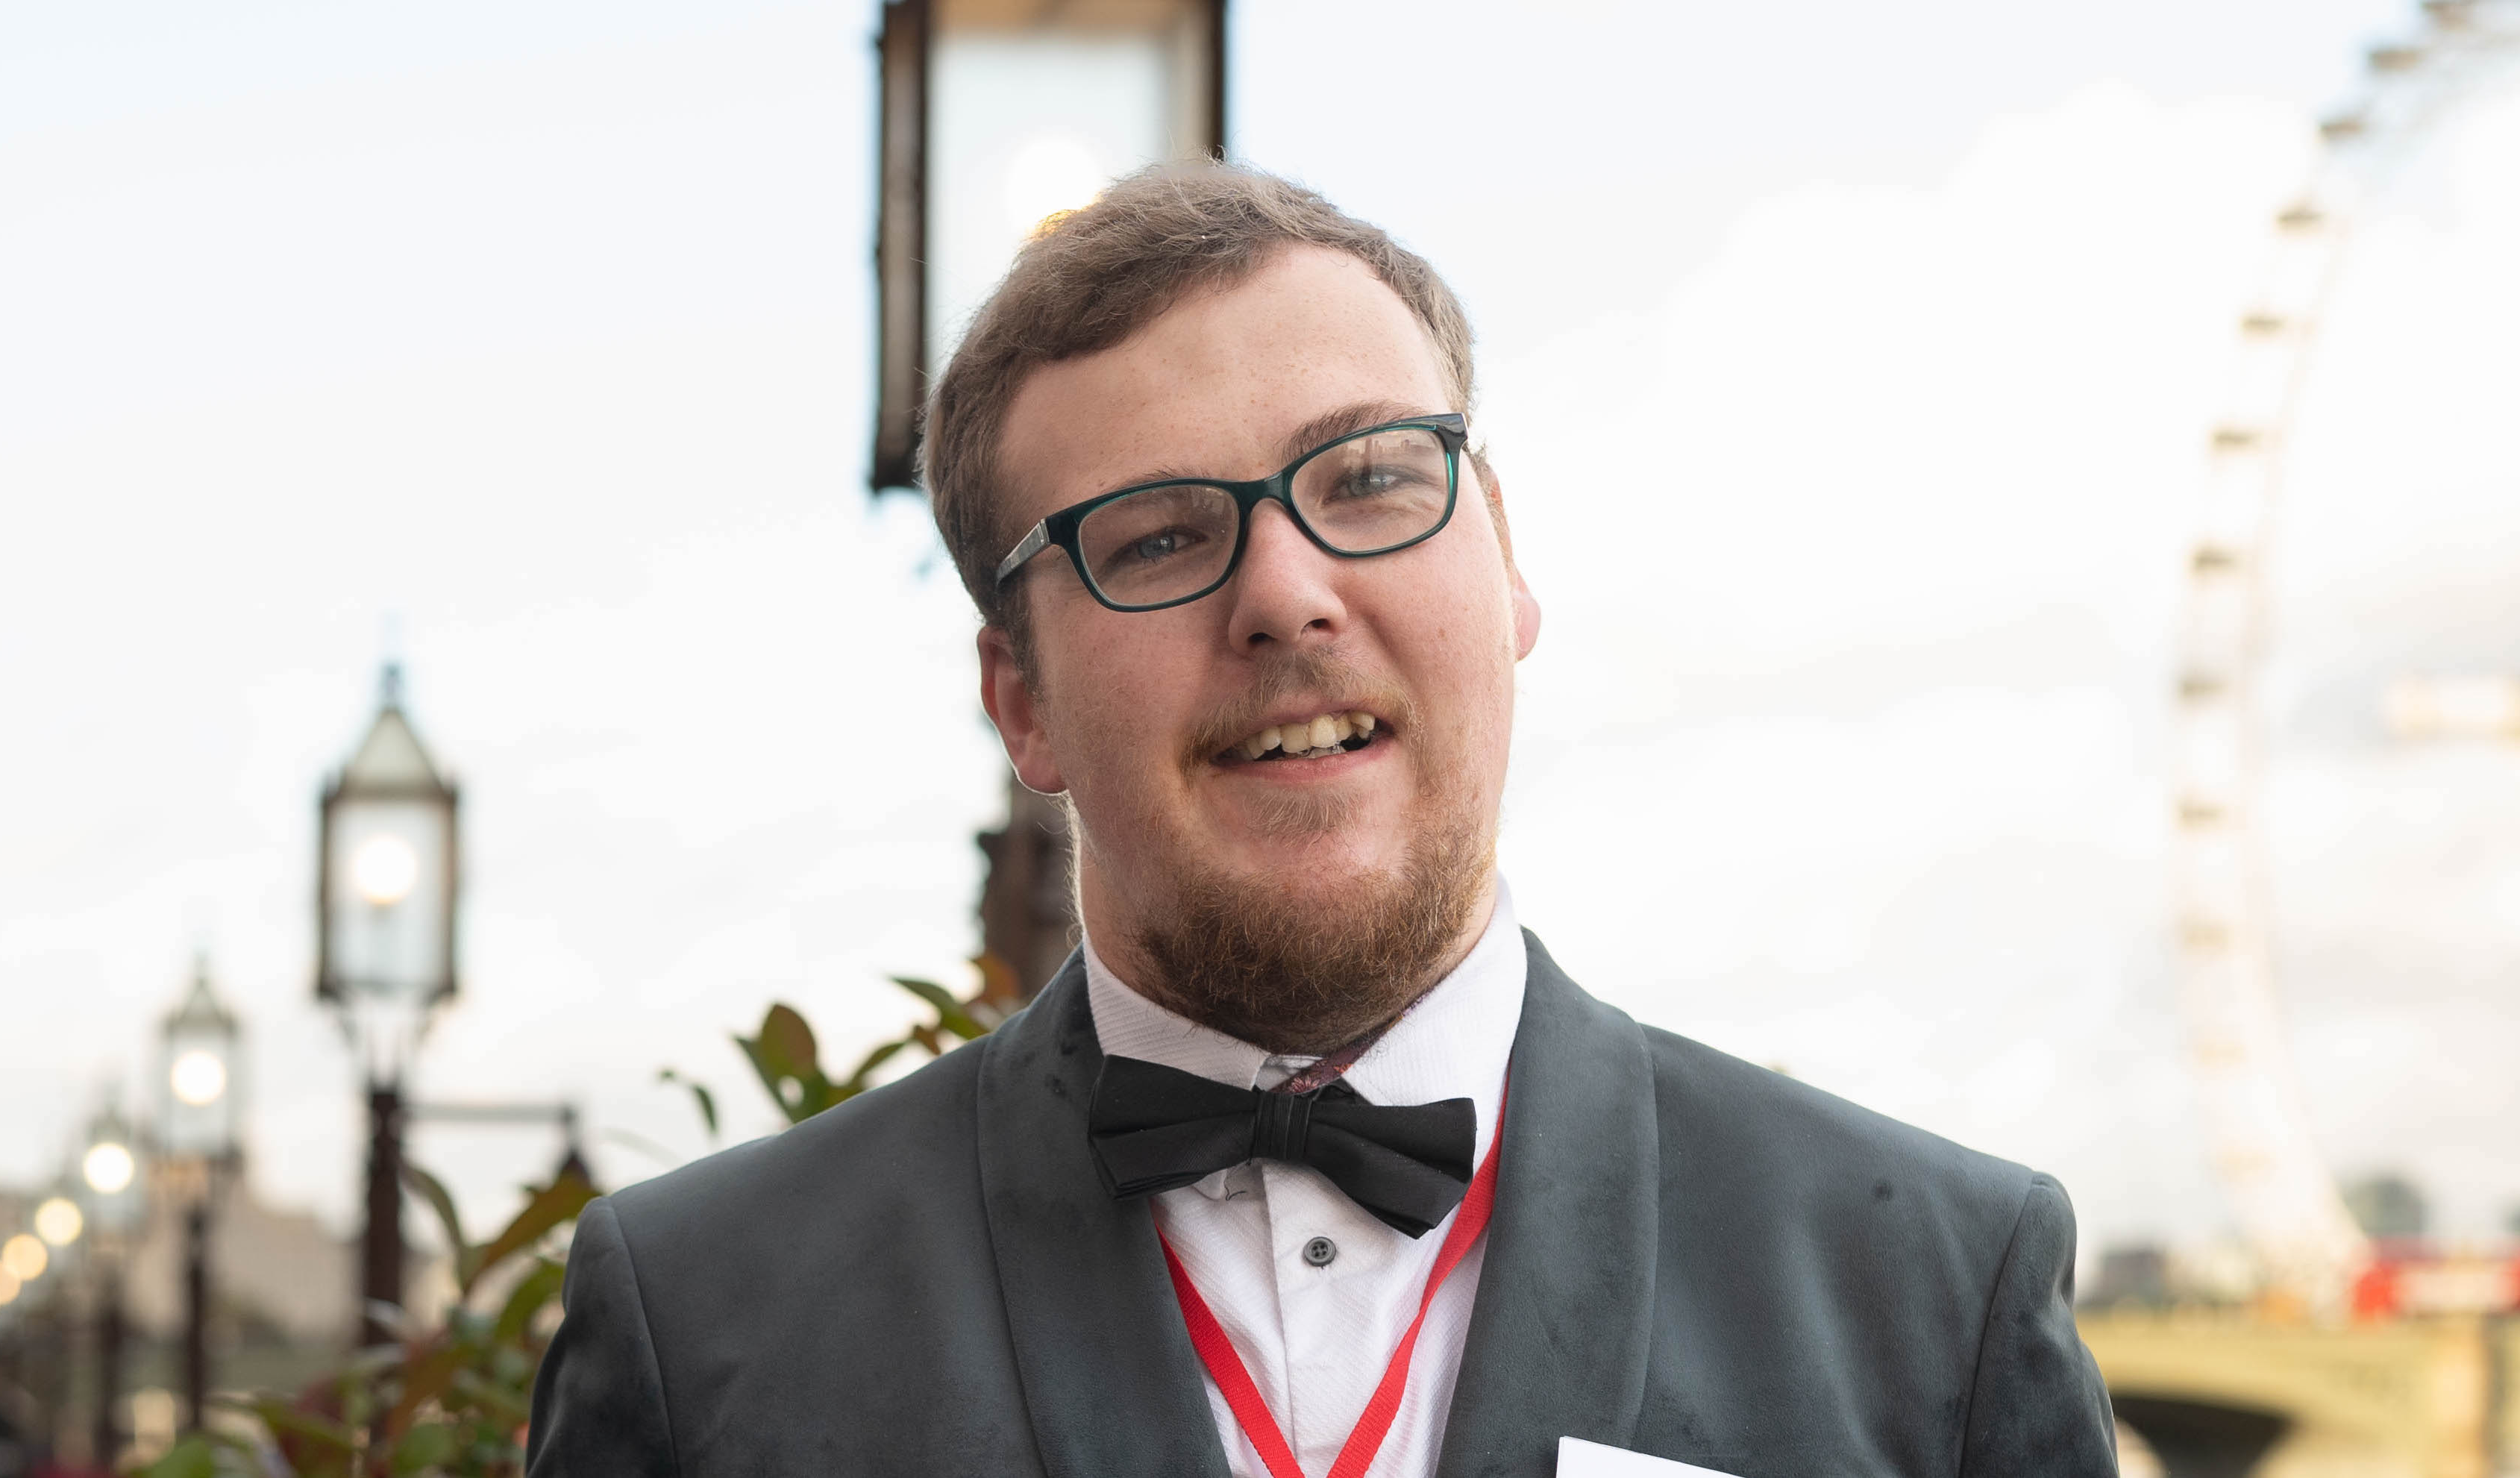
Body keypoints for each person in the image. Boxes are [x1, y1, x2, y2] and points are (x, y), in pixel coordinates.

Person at [527, 163, 2116, 1477]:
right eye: (1153, 537)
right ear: (1019, 698)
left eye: (1364, 479)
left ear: (1500, 556)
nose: (1287, 595)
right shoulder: (704, 1329)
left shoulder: (1933, 1299)